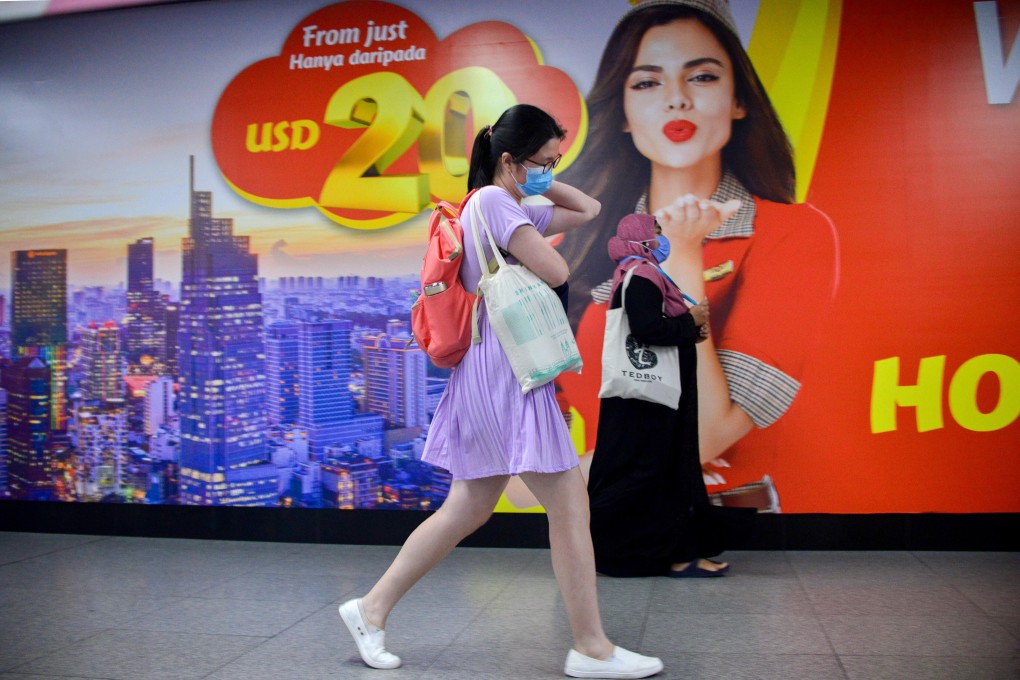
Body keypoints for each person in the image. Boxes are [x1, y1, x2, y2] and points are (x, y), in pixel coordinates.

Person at [338, 104, 664, 679]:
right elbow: (560, 274)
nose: (549, 172)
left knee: (468, 505)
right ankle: (590, 647)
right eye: (540, 161)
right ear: (509, 161)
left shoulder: (501, 205)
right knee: (566, 502)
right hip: (508, 367)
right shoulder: (493, 203)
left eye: (554, 161)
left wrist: (537, 174)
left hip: (491, 367)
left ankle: (370, 609)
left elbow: (586, 209)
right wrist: (519, 183)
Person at [556, 0, 840, 511]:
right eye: (647, 83)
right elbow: (540, 421)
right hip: (605, 517)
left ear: (739, 100)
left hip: (723, 520)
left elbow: (710, 432)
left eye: (702, 77)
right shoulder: (582, 248)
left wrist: (684, 256)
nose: (677, 101)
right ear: (621, 112)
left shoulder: (793, 234)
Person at [588, 213, 754, 578]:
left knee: (652, 471)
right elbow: (647, 328)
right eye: (656, 234)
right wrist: (689, 320)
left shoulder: (637, 273)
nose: (662, 240)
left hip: (646, 397)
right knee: (654, 471)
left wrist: (687, 326)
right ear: (641, 238)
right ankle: (665, 554)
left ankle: (669, 552)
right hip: (650, 399)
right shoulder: (643, 275)